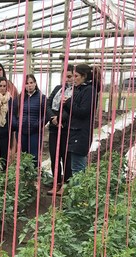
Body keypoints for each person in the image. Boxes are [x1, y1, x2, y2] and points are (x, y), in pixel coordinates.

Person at [61, 64, 101, 192]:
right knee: (77, 168)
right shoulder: (80, 89)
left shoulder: (89, 90)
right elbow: (74, 110)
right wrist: (67, 104)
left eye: (76, 76)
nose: (74, 78)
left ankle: (78, 198)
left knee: (77, 169)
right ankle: (79, 197)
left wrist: (68, 103)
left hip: (81, 134)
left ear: (84, 76)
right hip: (75, 133)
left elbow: (83, 112)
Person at [45, 65, 74, 190]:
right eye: (64, 76)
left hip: (66, 128)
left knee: (66, 156)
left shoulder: (75, 91)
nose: (66, 79)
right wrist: (52, 118)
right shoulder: (58, 88)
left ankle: (66, 183)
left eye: (69, 76)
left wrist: (61, 118)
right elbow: (47, 104)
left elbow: (71, 109)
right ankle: (56, 182)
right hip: (54, 128)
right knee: (54, 156)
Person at [19, 74, 47, 168]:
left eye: (31, 83)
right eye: (27, 83)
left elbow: (46, 114)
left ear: (35, 83)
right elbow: (14, 111)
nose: (29, 85)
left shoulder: (41, 98)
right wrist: (17, 123)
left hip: (35, 132)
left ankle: (35, 176)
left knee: (34, 155)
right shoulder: (21, 98)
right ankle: (25, 177)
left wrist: (39, 124)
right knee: (24, 155)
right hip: (22, 131)